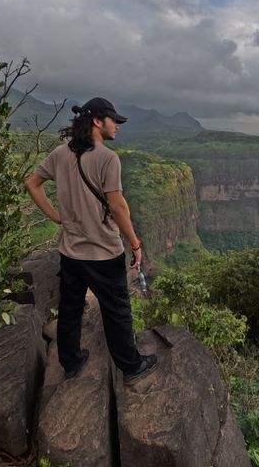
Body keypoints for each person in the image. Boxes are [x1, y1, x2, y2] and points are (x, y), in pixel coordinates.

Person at [24, 97, 157, 384]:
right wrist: (135, 243)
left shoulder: (60, 153)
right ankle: (132, 367)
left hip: (70, 251)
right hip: (104, 252)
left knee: (70, 307)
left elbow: (31, 183)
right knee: (117, 310)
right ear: (98, 121)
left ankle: (70, 362)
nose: (117, 127)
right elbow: (118, 207)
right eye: (114, 121)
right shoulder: (108, 158)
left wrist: (55, 217)